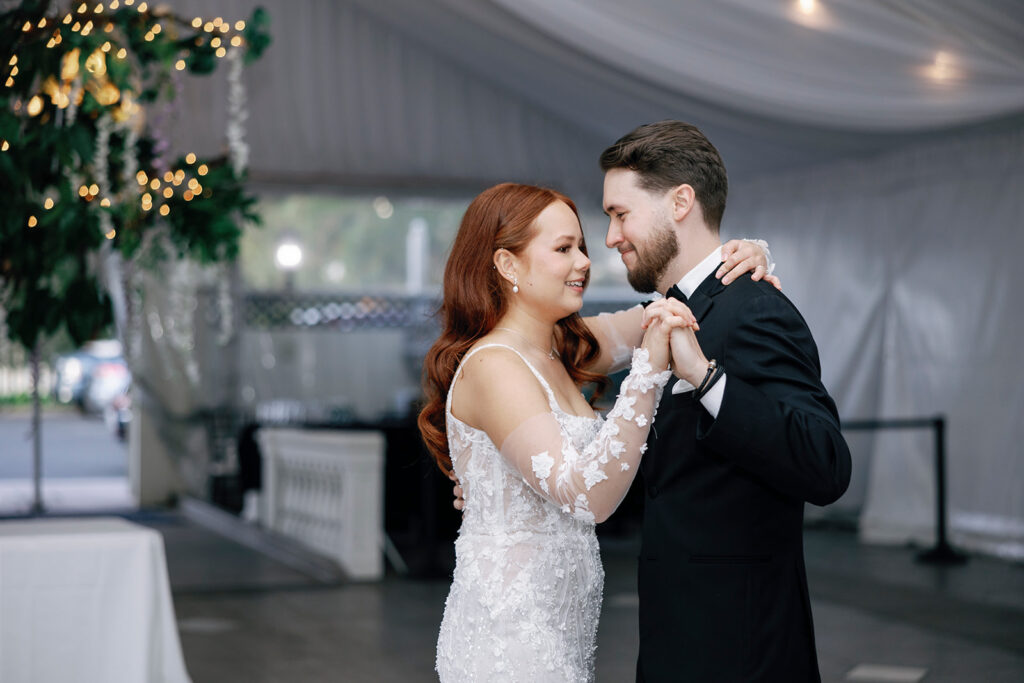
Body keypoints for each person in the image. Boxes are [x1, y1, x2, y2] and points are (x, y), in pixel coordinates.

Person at [419, 181, 775, 682]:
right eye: (564, 249)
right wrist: (648, 373)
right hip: (510, 638)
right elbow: (590, 497)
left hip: (562, 631)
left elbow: (670, 306)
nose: (584, 260)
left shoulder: (561, 348)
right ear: (507, 265)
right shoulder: (495, 366)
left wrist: (743, 259)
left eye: (581, 246)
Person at [599, 120, 852, 682]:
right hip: (680, 638)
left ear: (681, 202)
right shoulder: (664, 317)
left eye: (620, 213)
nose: (612, 236)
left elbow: (826, 464)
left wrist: (707, 380)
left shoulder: (757, 308)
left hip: (742, 652)